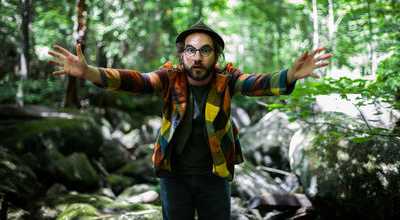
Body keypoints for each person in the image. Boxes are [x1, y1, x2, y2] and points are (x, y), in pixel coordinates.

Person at [48, 20, 331, 220]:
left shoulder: (226, 78)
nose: (197, 57)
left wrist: (290, 76)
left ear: (216, 55)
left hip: (214, 175)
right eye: (191, 50)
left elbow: (255, 83)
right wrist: (89, 72)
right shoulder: (170, 76)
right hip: (174, 176)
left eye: (205, 50)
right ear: (182, 54)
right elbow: (137, 81)